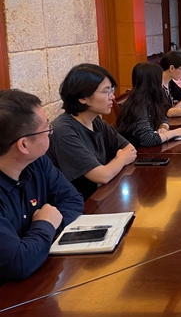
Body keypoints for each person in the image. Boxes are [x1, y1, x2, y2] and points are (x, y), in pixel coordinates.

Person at [0, 89, 83, 282]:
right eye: (46, 128)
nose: (50, 132)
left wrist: (40, 235)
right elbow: (19, 263)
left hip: (41, 273)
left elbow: (72, 199)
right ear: (24, 145)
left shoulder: (37, 162)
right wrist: (45, 224)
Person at [47, 64, 138, 201]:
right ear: (83, 97)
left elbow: (129, 149)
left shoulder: (95, 120)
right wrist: (121, 159)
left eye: (112, 90)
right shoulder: (63, 131)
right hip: (76, 205)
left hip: (98, 197)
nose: (112, 97)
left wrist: (115, 164)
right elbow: (102, 176)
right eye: (106, 91)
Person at [116, 62, 181, 147]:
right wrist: (173, 133)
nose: (163, 81)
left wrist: (164, 126)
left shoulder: (151, 97)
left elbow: (163, 116)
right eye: (160, 77)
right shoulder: (138, 104)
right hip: (136, 150)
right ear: (153, 82)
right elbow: (148, 139)